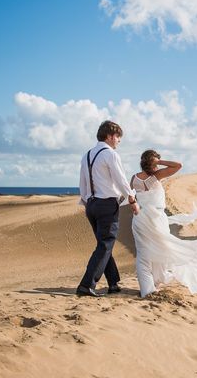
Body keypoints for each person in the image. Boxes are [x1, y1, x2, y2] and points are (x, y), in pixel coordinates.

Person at [131, 150, 197, 297]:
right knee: (162, 249)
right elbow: (178, 165)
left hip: (140, 218)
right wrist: (159, 162)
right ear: (153, 163)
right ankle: (156, 282)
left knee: (143, 254)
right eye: (156, 161)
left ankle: (148, 289)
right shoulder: (156, 177)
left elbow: (129, 193)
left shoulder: (134, 178)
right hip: (156, 219)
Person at [77, 120, 140, 297]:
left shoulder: (86, 155)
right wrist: (132, 198)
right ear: (111, 136)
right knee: (105, 245)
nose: (119, 141)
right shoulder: (110, 154)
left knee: (104, 244)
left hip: (91, 205)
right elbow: (120, 179)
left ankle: (113, 283)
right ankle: (86, 285)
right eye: (118, 137)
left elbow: (82, 183)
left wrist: (87, 202)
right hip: (106, 204)